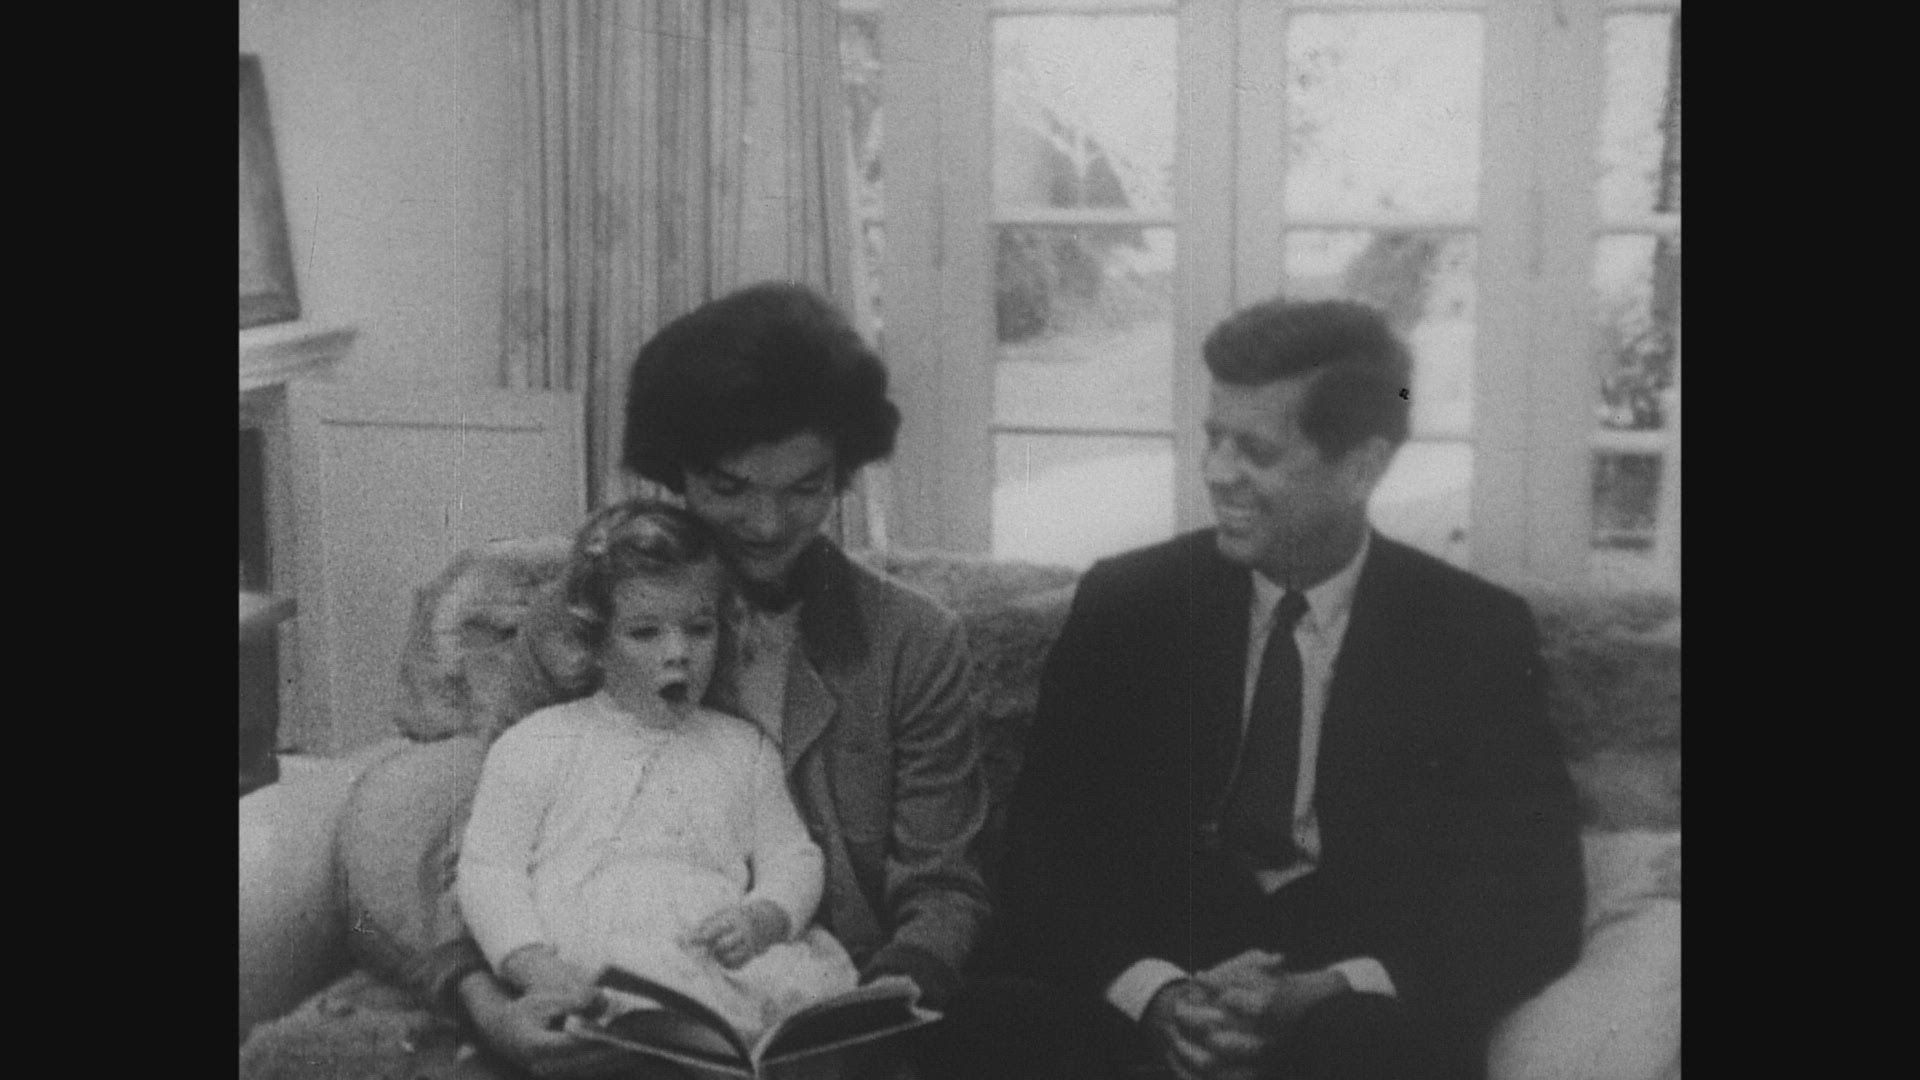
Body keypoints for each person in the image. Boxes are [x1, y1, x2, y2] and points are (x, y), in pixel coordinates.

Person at [431, 282, 1040, 1078]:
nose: (766, 524)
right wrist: (491, 1007)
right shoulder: (583, 616)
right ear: (679, 472)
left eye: (804, 489)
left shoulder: (914, 643)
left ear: (842, 475)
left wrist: (886, 1004)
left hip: (819, 1001)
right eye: (729, 488)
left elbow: (944, 886)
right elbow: (478, 855)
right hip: (605, 995)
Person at [993, 297, 1587, 1080]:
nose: (1218, 473)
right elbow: (1038, 853)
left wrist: (1330, 989)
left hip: (1349, 1017)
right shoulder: (1128, 603)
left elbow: (1537, 899)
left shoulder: (1472, 632)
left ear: (1362, 467)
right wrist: (1156, 994)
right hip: (1150, 983)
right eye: (1213, 439)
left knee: (1378, 1052)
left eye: (1256, 451)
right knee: (990, 1024)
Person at [456, 499, 860, 1045]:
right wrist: (533, 965)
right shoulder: (536, 744)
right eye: (645, 633)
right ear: (595, 644)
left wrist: (763, 918)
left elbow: (794, 857)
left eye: (699, 629)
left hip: (716, 960)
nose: (678, 653)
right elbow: (489, 871)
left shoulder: (745, 749)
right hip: (585, 966)